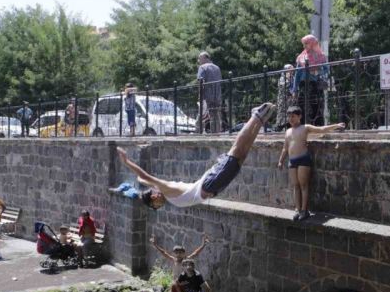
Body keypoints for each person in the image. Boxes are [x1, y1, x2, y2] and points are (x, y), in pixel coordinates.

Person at [117, 102, 277, 209]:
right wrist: (140, 181)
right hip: (212, 185)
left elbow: (146, 176)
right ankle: (259, 120)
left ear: (154, 196)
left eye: (155, 205)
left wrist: (127, 162)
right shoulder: (163, 191)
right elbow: (143, 179)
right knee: (241, 155)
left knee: (237, 151)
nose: (158, 207)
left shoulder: (166, 189)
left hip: (210, 183)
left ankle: (255, 116)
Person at [277, 106, 345, 221]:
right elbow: (285, 148)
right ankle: (297, 210)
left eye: (293, 116)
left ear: (299, 116)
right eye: (289, 116)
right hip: (292, 161)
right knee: (296, 186)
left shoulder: (305, 128)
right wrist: (280, 160)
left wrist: (336, 125)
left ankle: (304, 210)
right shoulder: (288, 131)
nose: (291, 119)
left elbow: (321, 129)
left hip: (303, 159)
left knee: (303, 185)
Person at [292, 35, 329, 126]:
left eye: (306, 44)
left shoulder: (321, 56)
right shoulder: (302, 57)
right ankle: (303, 128)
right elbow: (297, 74)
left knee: (317, 107)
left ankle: (317, 128)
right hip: (303, 85)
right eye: (303, 44)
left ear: (312, 44)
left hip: (316, 85)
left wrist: (317, 70)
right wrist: (294, 89)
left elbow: (327, 70)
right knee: (303, 107)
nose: (304, 46)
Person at [197, 52, 223, 133]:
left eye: (200, 58)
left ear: (205, 58)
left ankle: (198, 133)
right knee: (216, 116)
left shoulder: (202, 67)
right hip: (217, 96)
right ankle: (216, 134)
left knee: (201, 115)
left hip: (206, 96)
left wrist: (200, 96)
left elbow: (201, 81)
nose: (199, 60)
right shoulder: (217, 68)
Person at [274, 64, 295, 131]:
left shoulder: (293, 78)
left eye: (292, 70)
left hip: (290, 99)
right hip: (283, 99)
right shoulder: (282, 78)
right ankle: (279, 126)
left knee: (290, 111)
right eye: (290, 69)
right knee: (282, 113)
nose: (291, 71)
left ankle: (289, 124)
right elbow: (283, 87)